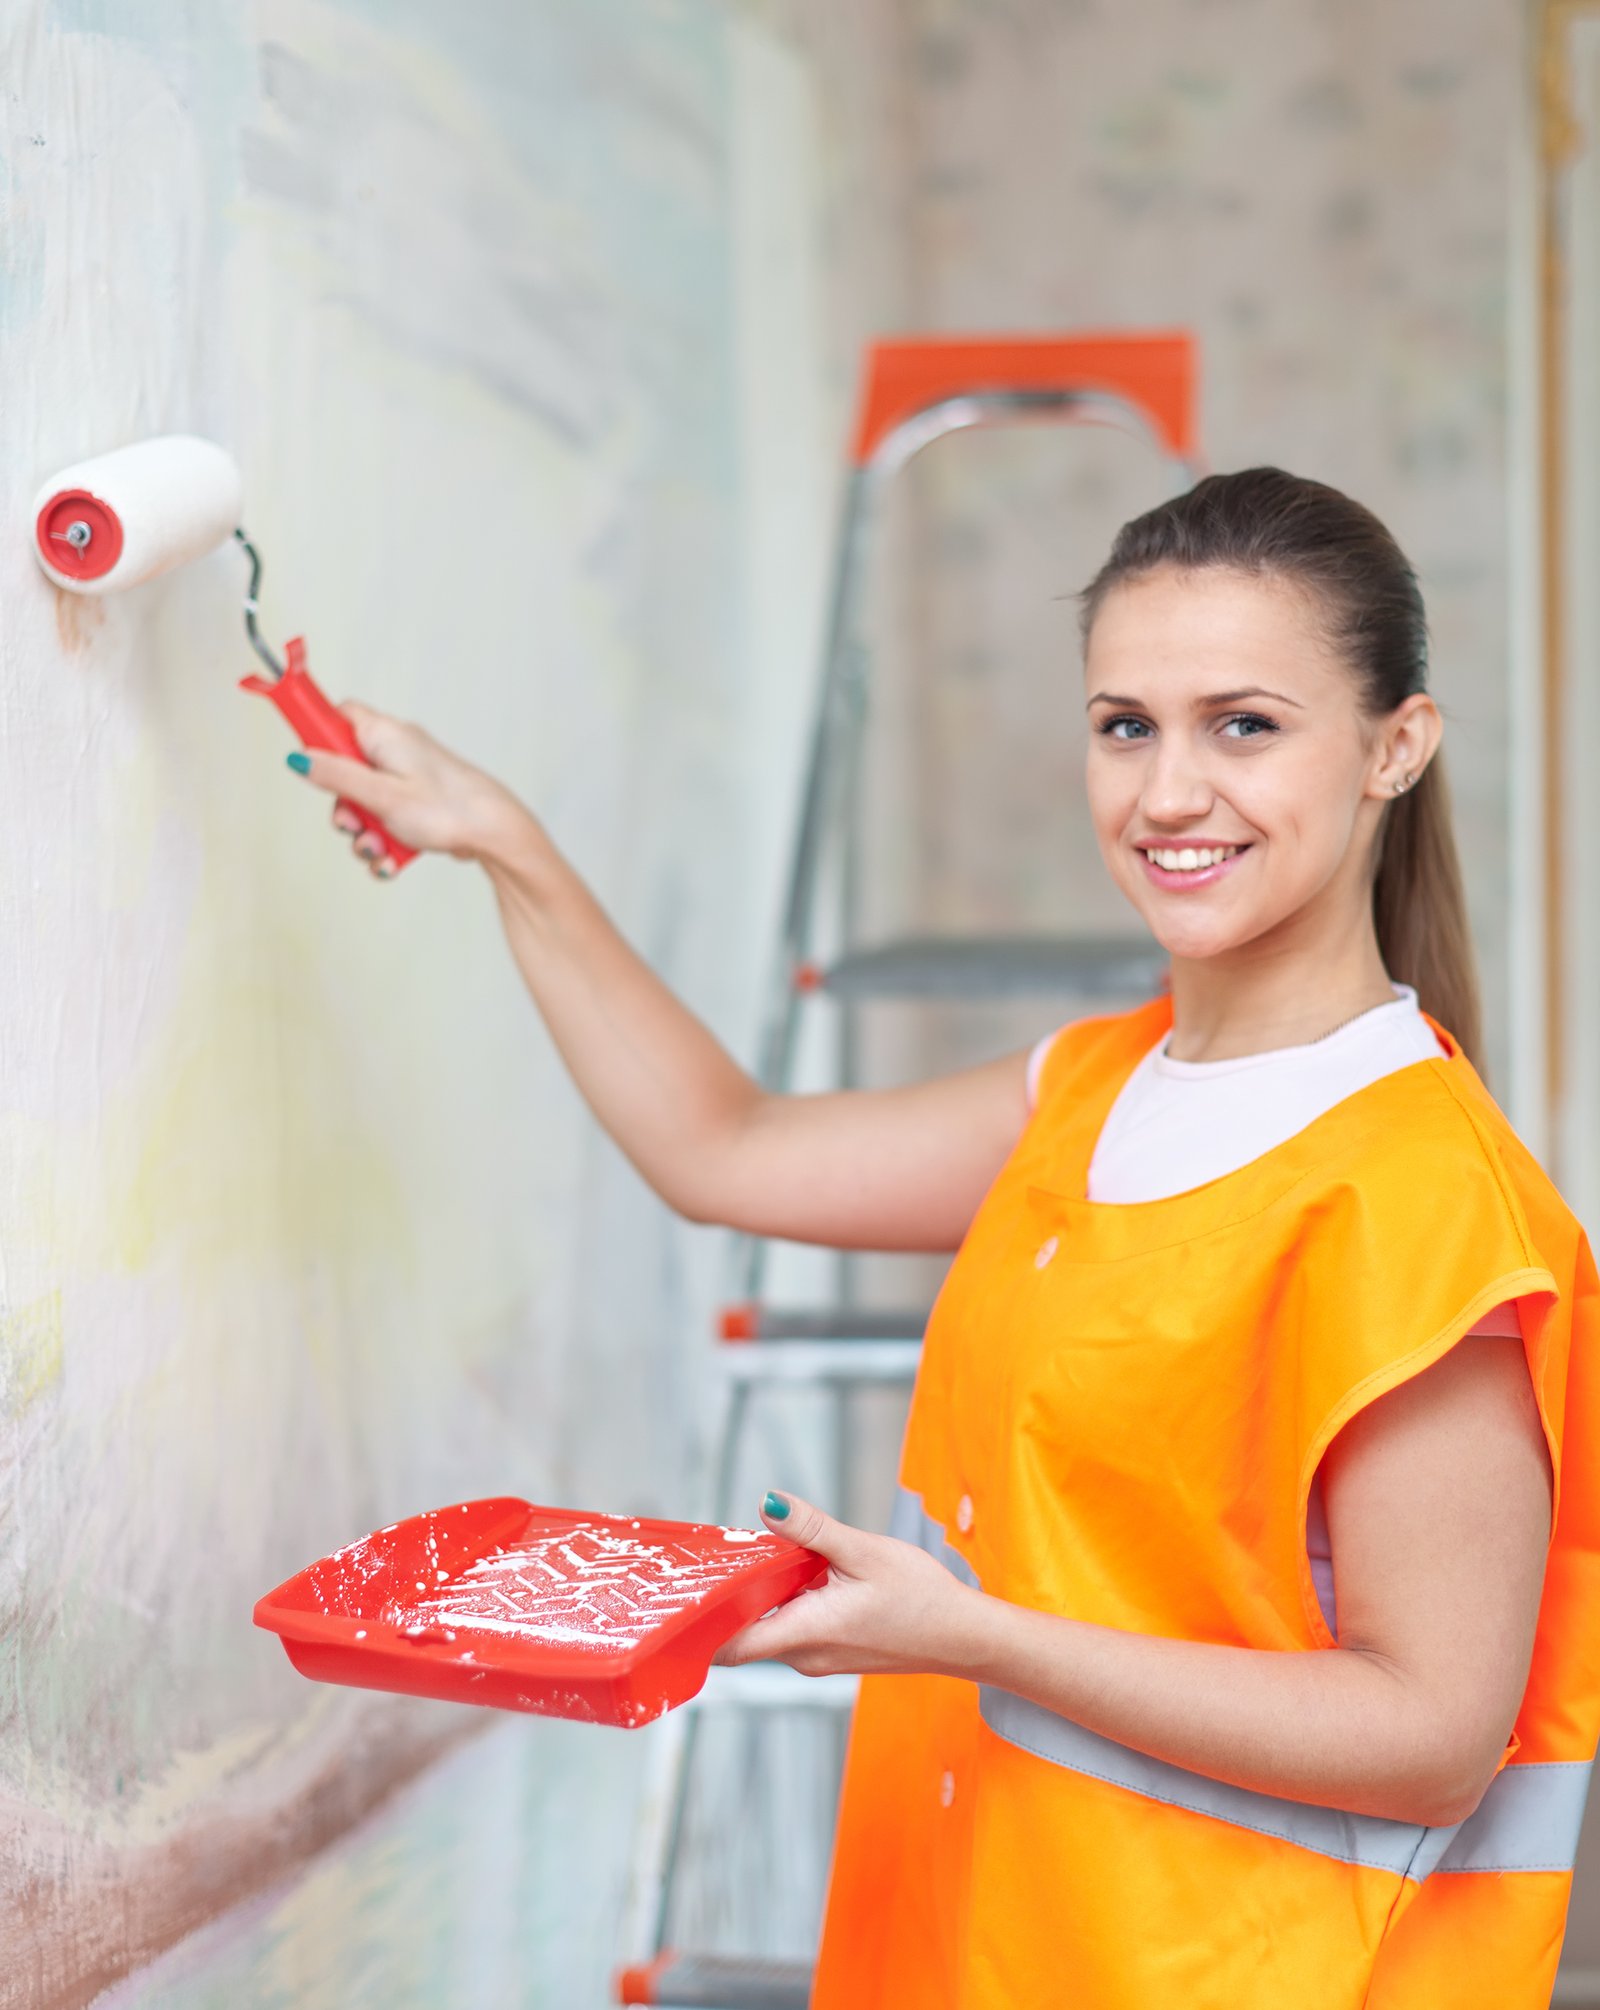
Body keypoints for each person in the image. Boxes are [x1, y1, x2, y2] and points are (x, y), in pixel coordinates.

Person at [288, 468, 1599, 2007]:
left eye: (1243, 723)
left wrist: (973, 1634)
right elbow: (730, 1148)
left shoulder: (1427, 1199)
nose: (1169, 792)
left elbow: (1432, 1737)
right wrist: (500, 841)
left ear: (1396, 745)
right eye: (1127, 724)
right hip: (976, 1938)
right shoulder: (1095, 1086)